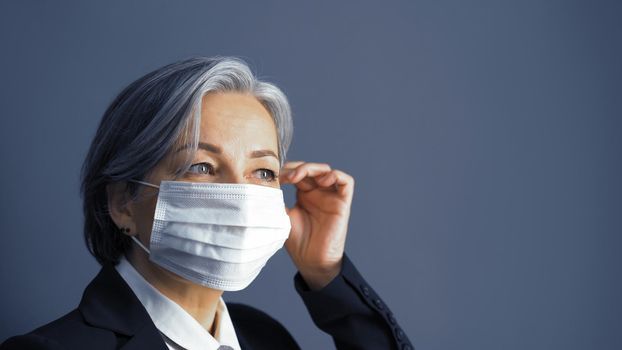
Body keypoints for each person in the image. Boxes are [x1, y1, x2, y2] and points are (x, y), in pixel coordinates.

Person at [1, 56, 414, 350]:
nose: (241, 194)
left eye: (264, 172)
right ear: (124, 202)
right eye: (202, 166)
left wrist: (325, 273)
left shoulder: (264, 337)